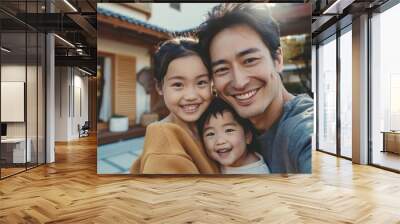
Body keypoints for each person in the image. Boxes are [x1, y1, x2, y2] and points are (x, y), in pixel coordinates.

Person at [197, 3, 313, 173]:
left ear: (278, 60)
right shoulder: (222, 124)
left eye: (250, 60)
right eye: (222, 69)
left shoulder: (303, 130)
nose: (239, 82)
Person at [130, 38, 219, 174]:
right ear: (160, 87)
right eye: (178, 84)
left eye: (201, 82)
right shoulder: (164, 148)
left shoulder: (211, 124)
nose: (191, 96)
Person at [197, 98, 270, 174]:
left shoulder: (257, 174)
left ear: (247, 136)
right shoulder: (212, 164)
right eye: (210, 134)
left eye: (229, 130)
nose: (220, 141)